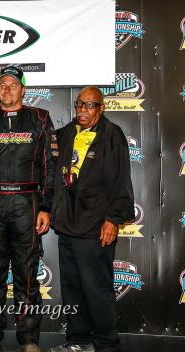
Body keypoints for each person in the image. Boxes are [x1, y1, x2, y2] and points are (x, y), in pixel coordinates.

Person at [0, 66, 57, 352]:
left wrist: (45, 206)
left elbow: (49, 167)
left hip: (26, 204)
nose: (7, 89)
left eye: (13, 85)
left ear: (23, 89)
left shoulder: (40, 118)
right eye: (2, 84)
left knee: (27, 273)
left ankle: (29, 340)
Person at [48, 87, 134, 352]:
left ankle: (107, 345)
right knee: (72, 289)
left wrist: (113, 219)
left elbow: (121, 181)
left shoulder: (112, 135)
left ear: (101, 108)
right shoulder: (66, 134)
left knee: (97, 290)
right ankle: (78, 342)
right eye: (79, 105)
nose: (83, 111)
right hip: (68, 224)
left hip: (96, 226)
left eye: (90, 105)